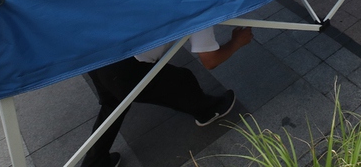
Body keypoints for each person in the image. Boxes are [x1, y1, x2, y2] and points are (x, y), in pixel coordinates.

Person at [81, 25, 252, 167]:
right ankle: (208, 110)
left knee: (113, 105)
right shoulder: (199, 4)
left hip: (96, 52)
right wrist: (237, 41)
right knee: (183, 80)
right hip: (125, 68)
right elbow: (211, 60)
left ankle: (95, 162)